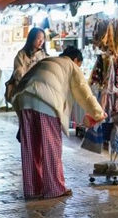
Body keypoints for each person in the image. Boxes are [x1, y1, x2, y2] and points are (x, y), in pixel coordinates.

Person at [11, 53, 106, 199]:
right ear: (76, 60)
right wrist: (98, 113)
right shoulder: (71, 65)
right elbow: (84, 91)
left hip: (23, 99)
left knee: (30, 148)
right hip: (46, 102)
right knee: (51, 148)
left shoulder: (48, 60)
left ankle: (32, 189)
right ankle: (54, 189)